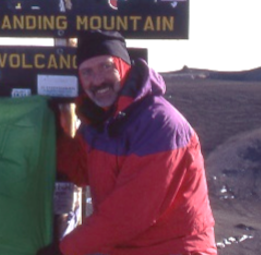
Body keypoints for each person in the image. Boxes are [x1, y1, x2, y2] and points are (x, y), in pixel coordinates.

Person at [38, 30, 217, 255]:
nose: (97, 80)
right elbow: (80, 171)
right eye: (87, 72)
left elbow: (128, 215)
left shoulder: (160, 126)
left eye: (106, 67)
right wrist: (51, 131)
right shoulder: (100, 122)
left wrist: (64, 251)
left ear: (124, 67)